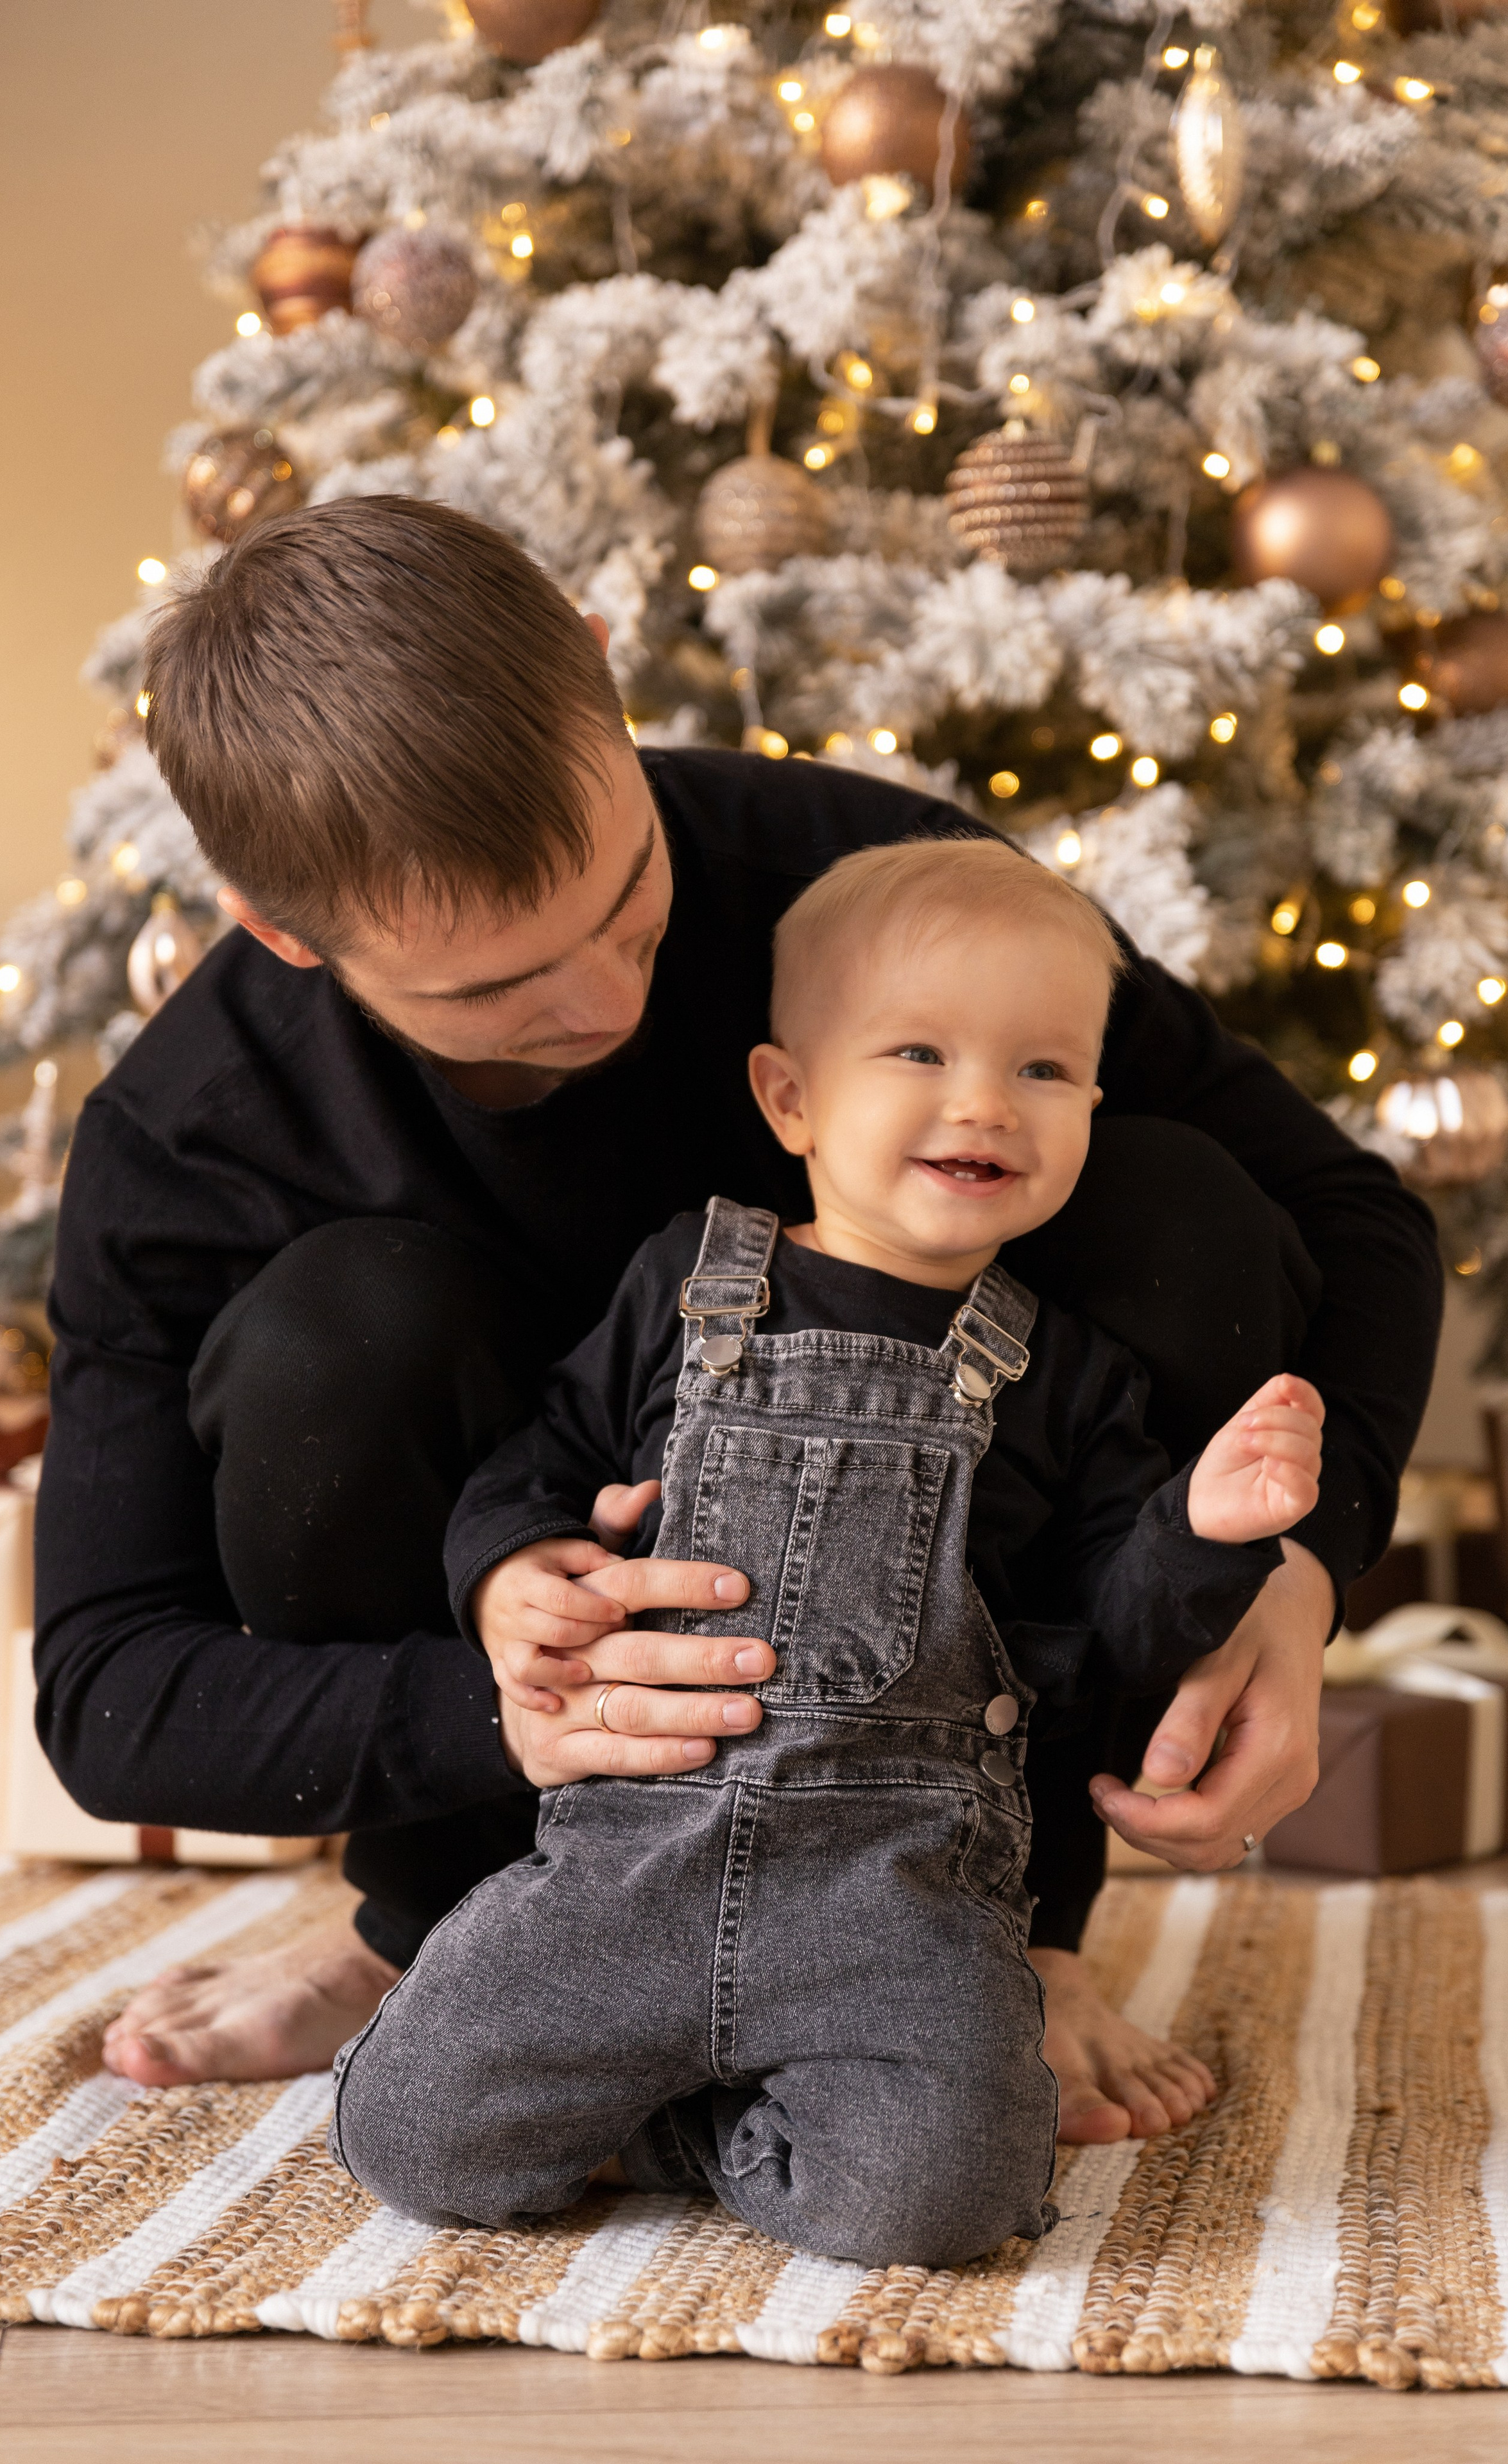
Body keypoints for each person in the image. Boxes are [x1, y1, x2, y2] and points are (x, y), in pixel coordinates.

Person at [37, 497, 1439, 2140]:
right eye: (489, 992)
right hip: (513, 1630)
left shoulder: (870, 883)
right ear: (285, 935)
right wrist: (508, 1707)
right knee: (339, 1324)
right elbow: (111, 1690)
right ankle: (436, 1931)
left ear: (607, 687)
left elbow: (1355, 1219)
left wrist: (1297, 1566)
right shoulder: (197, 1125)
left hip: (968, 1619)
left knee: (1171, 1200)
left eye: (625, 900)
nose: (600, 1004)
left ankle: (1016, 1934)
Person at [329, 839, 1326, 2263]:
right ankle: (676, 2097)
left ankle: (697, 2124)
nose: (983, 1100)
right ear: (789, 1097)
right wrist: (510, 1570)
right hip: (630, 1862)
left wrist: (1209, 1535)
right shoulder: (688, 1280)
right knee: (410, 2138)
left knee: (951, 2200)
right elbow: (538, 1460)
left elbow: (1117, 1633)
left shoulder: (1067, 1376)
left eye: (1042, 1071)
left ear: (1092, 1108)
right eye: (917, 1051)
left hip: (900, 1909)